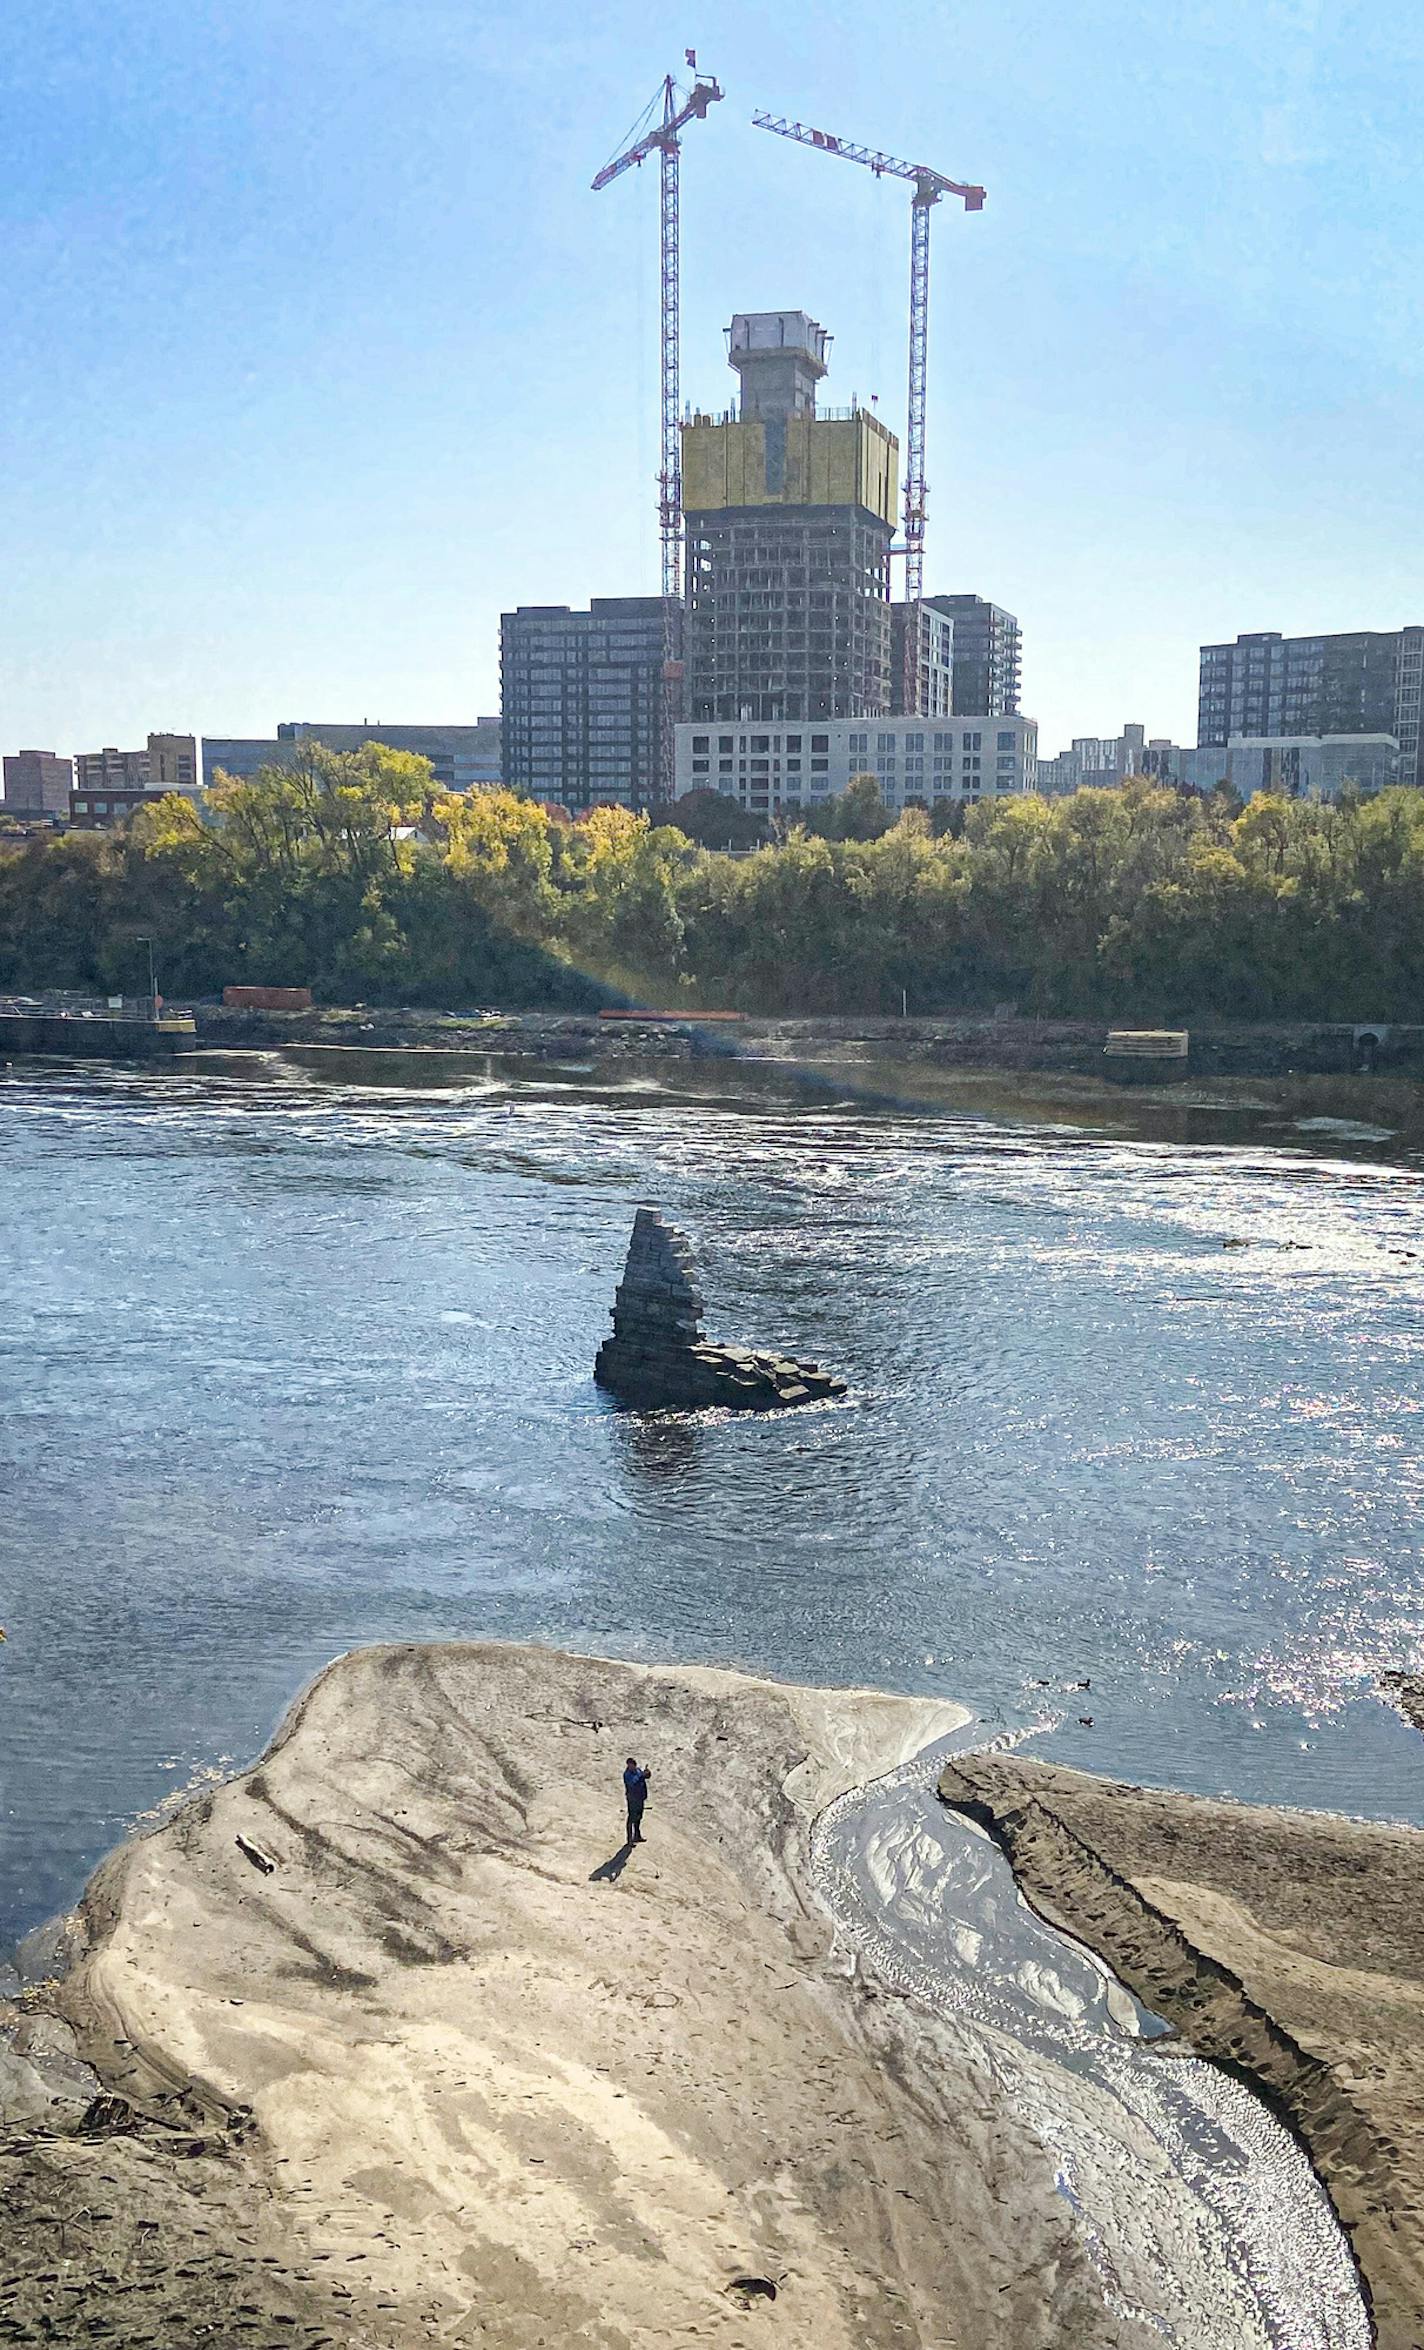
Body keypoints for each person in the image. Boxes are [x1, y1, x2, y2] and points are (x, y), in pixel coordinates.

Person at [623, 1757, 650, 1844]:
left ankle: (637, 1836)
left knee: (638, 1817)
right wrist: (641, 1776)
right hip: (632, 1800)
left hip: (640, 1798)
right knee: (632, 1818)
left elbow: (645, 1776)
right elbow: (633, 1783)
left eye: (633, 1765)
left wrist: (647, 1773)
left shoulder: (638, 1771)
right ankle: (630, 1839)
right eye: (630, 1765)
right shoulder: (627, 1774)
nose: (632, 1767)